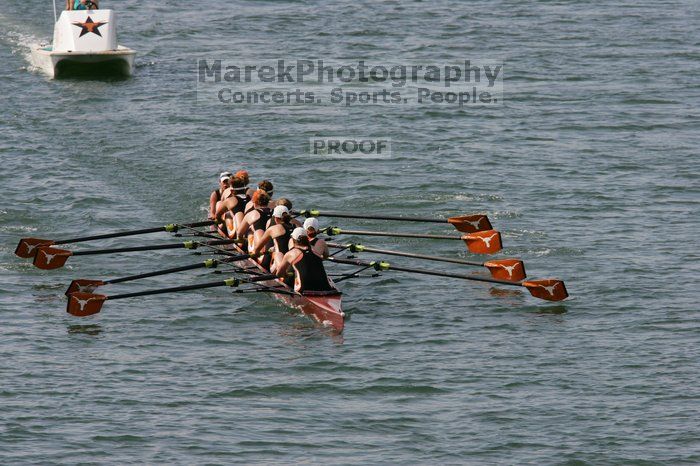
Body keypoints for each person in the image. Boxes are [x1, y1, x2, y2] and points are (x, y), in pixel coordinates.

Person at [275, 228, 336, 293]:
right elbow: (326, 255)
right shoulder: (315, 250)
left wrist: (286, 274)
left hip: (304, 290)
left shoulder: (291, 253)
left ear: (293, 240)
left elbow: (279, 274)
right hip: (326, 289)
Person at [253, 205, 296, 270]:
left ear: (275, 218)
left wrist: (256, 255)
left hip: (277, 265)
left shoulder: (273, 229)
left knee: (257, 232)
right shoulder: (296, 227)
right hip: (293, 263)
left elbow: (257, 248)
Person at [236, 190, 272, 254]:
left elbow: (239, 233)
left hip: (260, 252)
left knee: (250, 230)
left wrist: (243, 241)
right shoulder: (274, 213)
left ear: (254, 202)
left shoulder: (252, 214)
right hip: (271, 247)